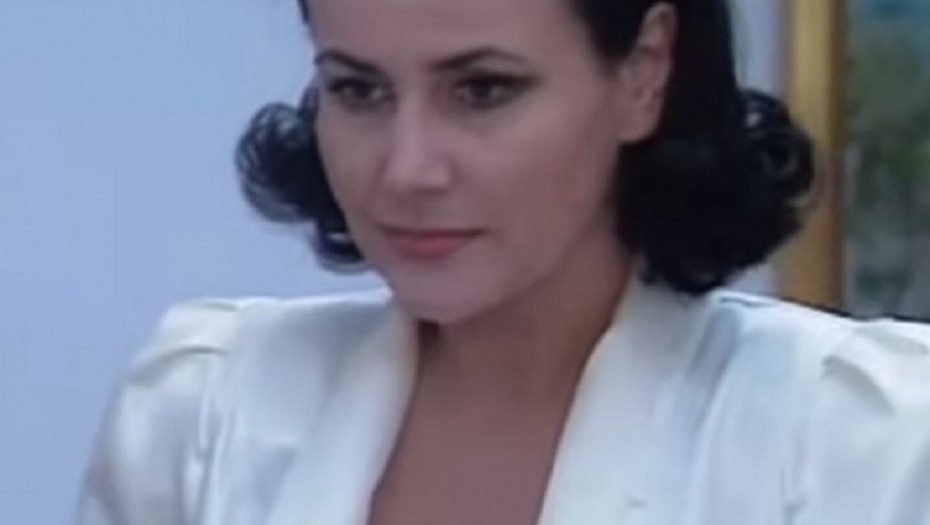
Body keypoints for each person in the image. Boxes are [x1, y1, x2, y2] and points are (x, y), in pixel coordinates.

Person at [78, 0, 930, 523]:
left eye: (483, 90)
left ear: (644, 71)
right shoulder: (204, 411)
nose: (407, 169)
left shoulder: (860, 441)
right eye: (359, 90)